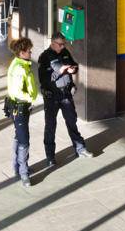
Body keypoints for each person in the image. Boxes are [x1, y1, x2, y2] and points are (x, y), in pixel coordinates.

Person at [37, 33, 91, 168]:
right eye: (60, 44)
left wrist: (73, 70)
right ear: (53, 43)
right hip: (51, 97)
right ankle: (50, 157)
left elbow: (74, 65)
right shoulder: (45, 57)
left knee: (72, 121)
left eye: (64, 44)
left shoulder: (65, 52)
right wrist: (60, 71)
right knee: (50, 126)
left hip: (66, 94)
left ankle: (80, 148)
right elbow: (43, 80)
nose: (62, 46)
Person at [5, 37, 38, 186]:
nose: (31, 53)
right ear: (22, 52)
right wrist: (31, 97)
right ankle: (24, 173)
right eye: (29, 51)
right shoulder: (19, 69)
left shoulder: (19, 64)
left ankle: (17, 167)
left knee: (19, 136)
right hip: (20, 107)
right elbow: (18, 92)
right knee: (24, 140)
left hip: (19, 107)